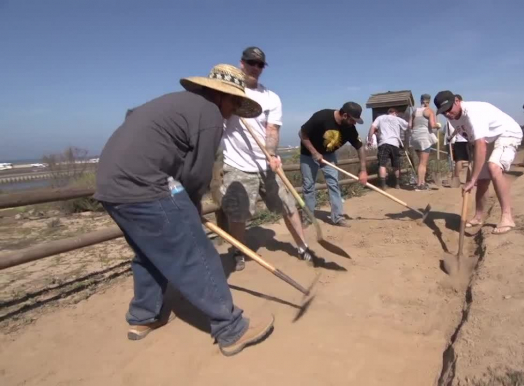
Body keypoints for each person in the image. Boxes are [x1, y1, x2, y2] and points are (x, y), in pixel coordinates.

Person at [94, 64, 274, 356]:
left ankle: (144, 317)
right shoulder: (210, 116)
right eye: (234, 102)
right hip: (146, 186)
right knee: (196, 252)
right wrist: (190, 210)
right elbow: (196, 175)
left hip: (110, 185)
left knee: (149, 251)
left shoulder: (172, 102)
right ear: (221, 96)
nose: (234, 109)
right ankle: (231, 328)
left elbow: (132, 116)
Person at [212, 47, 311, 271]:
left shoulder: (271, 98)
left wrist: (273, 154)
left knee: (289, 204)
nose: (255, 68)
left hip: (266, 163)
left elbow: (272, 130)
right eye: (251, 63)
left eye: (260, 65)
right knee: (238, 213)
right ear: (242, 63)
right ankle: (239, 251)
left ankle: (302, 245)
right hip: (237, 163)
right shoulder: (230, 92)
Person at [435, 91, 522, 235]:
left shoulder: (473, 113)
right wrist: (474, 174)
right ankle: (478, 216)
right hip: (489, 139)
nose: (448, 114)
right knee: (482, 179)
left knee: (493, 167)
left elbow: (480, 144)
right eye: (444, 112)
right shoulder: (452, 117)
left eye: (449, 109)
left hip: (506, 133)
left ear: (457, 101)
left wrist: (471, 179)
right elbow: (473, 142)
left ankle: (507, 217)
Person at [299, 102, 368, 227]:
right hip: (308, 154)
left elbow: (360, 147)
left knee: (333, 183)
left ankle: (338, 217)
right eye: (353, 120)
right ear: (345, 115)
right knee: (309, 186)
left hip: (328, 155)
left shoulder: (350, 128)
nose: (354, 124)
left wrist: (363, 170)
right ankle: (308, 217)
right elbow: (302, 134)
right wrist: (314, 153)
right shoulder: (322, 117)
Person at [367, 107, 408, 189]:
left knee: (382, 164)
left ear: (388, 112)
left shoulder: (380, 118)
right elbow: (408, 126)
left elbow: (372, 127)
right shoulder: (397, 119)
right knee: (396, 165)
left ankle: (383, 185)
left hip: (384, 143)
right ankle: (397, 184)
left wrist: (370, 138)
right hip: (395, 143)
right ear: (395, 113)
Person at [409, 94, 441, 191]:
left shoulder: (415, 111)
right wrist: (438, 125)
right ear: (429, 101)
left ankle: (422, 182)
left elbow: (409, 125)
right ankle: (419, 185)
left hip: (415, 137)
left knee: (420, 162)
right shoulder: (429, 111)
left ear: (421, 100)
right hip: (424, 137)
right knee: (423, 163)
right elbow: (432, 125)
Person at [444, 94, 469, 188]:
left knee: (459, 161)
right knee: (469, 161)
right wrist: (451, 136)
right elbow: (458, 128)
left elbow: (458, 128)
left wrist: (451, 136)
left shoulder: (463, 113)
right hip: (466, 140)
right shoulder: (461, 114)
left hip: (462, 140)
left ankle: (456, 178)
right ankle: (463, 180)